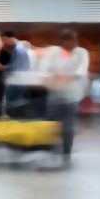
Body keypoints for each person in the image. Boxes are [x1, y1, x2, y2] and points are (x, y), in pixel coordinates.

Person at [37, 30, 89, 165]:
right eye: (70, 40)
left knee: (68, 123)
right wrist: (51, 77)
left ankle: (67, 150)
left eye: (74, 40)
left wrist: (66, 77)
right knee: (51, 120)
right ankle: (50, 147)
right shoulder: (53, 52)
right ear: (63, 41)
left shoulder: (81, 53)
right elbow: (45, 68)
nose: (73, 43)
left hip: (71, 94)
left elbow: (81, 71)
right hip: (54, 92)